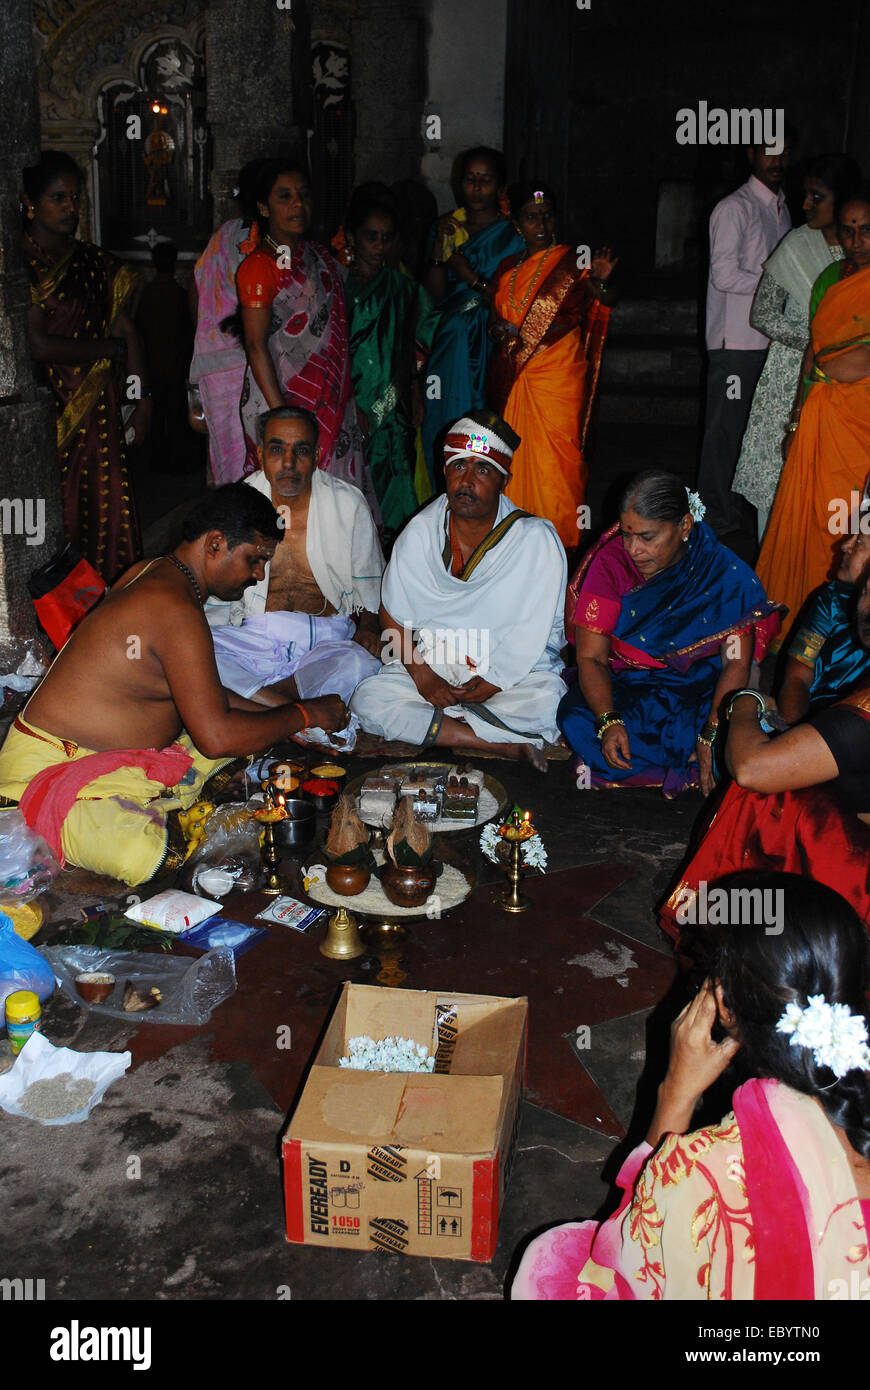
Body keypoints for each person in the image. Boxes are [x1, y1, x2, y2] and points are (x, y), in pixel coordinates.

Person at [513, 872, 870, 1300]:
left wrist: (674, 1096)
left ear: (723, 1005)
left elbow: (623, 1258)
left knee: (548, 1265)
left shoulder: (703, 1171)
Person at [0, 484, 347, 885]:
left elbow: (200, 693)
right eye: (255, 559)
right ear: (215, 544)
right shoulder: (174, 607)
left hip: (113, 755)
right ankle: (72, 815)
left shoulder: (156, 571)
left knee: (251, 740)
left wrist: (290, 719)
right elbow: (215, 735)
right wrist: (303, 713)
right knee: (142, 854)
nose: (259, 575)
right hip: (47, 773)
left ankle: (153, 799)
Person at [660, 570, 870, 943]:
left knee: (764, 796)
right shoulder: (830, 600)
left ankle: (735, 933)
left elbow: (752, 769)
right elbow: (797, 679)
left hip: (861, 886)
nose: (862, 603)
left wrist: (742, 700)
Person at [350, 410, 567, 767]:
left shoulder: (535, 539)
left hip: (511, 669)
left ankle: (442, 728)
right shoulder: (420, 531)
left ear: (504, 481)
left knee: (548, 703)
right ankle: (498, 743)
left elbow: (537, 631)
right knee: (369, 700)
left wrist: (495, 680)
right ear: (445, 472)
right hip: (437, 660)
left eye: (482, 470)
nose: (466, 481)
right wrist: (423, 676)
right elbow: (393, 611)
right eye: (458, 467)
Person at [558, 471, 781, 796]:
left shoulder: (722, 572)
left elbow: (735, 664)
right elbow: (591, 656)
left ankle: (702, 752)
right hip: (628, 682)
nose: (634, 549)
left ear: (685, 527)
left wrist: (711, 732)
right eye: (627, 534)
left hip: (699, 686)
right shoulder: (610, 563)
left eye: (648, 537)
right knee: (576, 718)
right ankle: (698, 762)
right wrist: (609, 720)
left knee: (734, 722)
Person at [23, 150, 150, 582]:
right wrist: (108, 352)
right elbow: (38, 344)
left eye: (75, 197)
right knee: (60, 514)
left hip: (100, 412)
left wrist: (141, 396)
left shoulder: (95, 264)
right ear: (31, 203)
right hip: (51, 410)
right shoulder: (24, 264)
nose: (71, 208)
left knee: (107, 509)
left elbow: (126, 329)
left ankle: (110, 606)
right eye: (58, 198)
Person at [207, 407, 384, 707]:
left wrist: (368, 628)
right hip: (254, 639)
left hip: (327, 642)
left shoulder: (347, 503)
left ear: (316, 456)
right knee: (189, 653)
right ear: (261, 454)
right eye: (277, 449)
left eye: (301, 451)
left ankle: (262, 702)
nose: (288, 463)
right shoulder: (238, 504)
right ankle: (290, 705)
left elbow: (371, 589)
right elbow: (216, 592)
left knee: (360, 665)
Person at [756, 184, 870, 639]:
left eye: (867, 230)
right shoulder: (829, 278)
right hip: (821, 415)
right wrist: (796, 419)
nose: (858, 239)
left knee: (849, 520)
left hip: (861, 420)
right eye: (849, 230)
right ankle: (804, 620)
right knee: (813, 519)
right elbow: (812, 353)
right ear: (839, 234)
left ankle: (851, 625)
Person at [235, 158, 377, 519]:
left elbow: (336, 342)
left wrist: (351, 401)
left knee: (337, 500)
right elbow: (255, 344)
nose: (297, 204)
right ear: (264, 208)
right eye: (284, 197)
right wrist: (282, 414)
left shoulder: (320, 259)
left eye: (303, 195)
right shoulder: (259, 266)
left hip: (332, 403)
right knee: (289, 503)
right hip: (281, 399)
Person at [733, 154, 858, 540]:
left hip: (847, 384)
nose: (804, 205)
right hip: (789, 378)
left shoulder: (860, 257)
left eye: (816, 197)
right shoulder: (796, 245)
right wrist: (818, 342)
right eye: (805, 195)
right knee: (778, 478)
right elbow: (763, 314)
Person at [486, 180, 615, 549]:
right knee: (516, 452)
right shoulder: (507, 268)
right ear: (517, 223)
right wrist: (498, 331)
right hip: (515, 376)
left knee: (562, 462)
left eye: (546, 216)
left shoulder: (574, 261)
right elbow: (494, 320)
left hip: (558, 376)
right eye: (530, 217)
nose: (539, 224)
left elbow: (606, 298)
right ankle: (514, 539)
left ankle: (560, 546)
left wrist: (604, 283)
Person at [696, 142, 791, 538]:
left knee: (753, 433)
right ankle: (712, 516)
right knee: (725, 431)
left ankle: (736, 515)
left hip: (767, 340)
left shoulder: (782, 208)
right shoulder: (735, 208)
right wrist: (779, 287)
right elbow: (724, 276)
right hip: (734, 341)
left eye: (784, 152)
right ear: (752, 153)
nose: (777, 160)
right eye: (768, 150)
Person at [420, 148, 524, 489]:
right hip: (452, 340)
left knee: (488, 417)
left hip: (493, 338)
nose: (477, 187)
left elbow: (515, 298)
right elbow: (435, 294)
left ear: (500, 187)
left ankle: (485, 494)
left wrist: (469, 276)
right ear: (457, 183)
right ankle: (445, 497)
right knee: (446, 415)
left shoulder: (514, 234)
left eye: (486, 180)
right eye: (470, 179)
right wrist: (439, 255)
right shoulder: (447, 227)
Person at [343, 190, 441, 536]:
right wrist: (350, 405)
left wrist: (416, 389)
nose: (379, 246)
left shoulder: (404, 289)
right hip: (351, 404)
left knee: (398, 481)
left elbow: (417, 343)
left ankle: (395, 555)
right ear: (354, 237)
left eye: (386, 238)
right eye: (371, 236)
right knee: (353, 483)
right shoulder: (340, 288)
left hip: (394, 402)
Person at [189, 157, 266, 485]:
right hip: (241, 369)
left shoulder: (222, 237)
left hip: (216, 370)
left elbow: (197, 295)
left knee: (235, 471)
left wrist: (194, 383)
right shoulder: (250, 244)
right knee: (250, 474)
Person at [777, 526, 870, 723]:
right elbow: (798, 672)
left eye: (859, 542)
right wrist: (791, 730)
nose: (844, 546)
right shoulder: (832, 599)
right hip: (813, 716)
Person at [136, 241, 196, 474]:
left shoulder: (147, 295)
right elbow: (189, 331)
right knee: (175, 415)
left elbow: (139, 330)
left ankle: (158, 460)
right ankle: (176, 461)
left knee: (157, 415)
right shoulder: (179, 296)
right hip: (174, 366)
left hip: (152, 366)